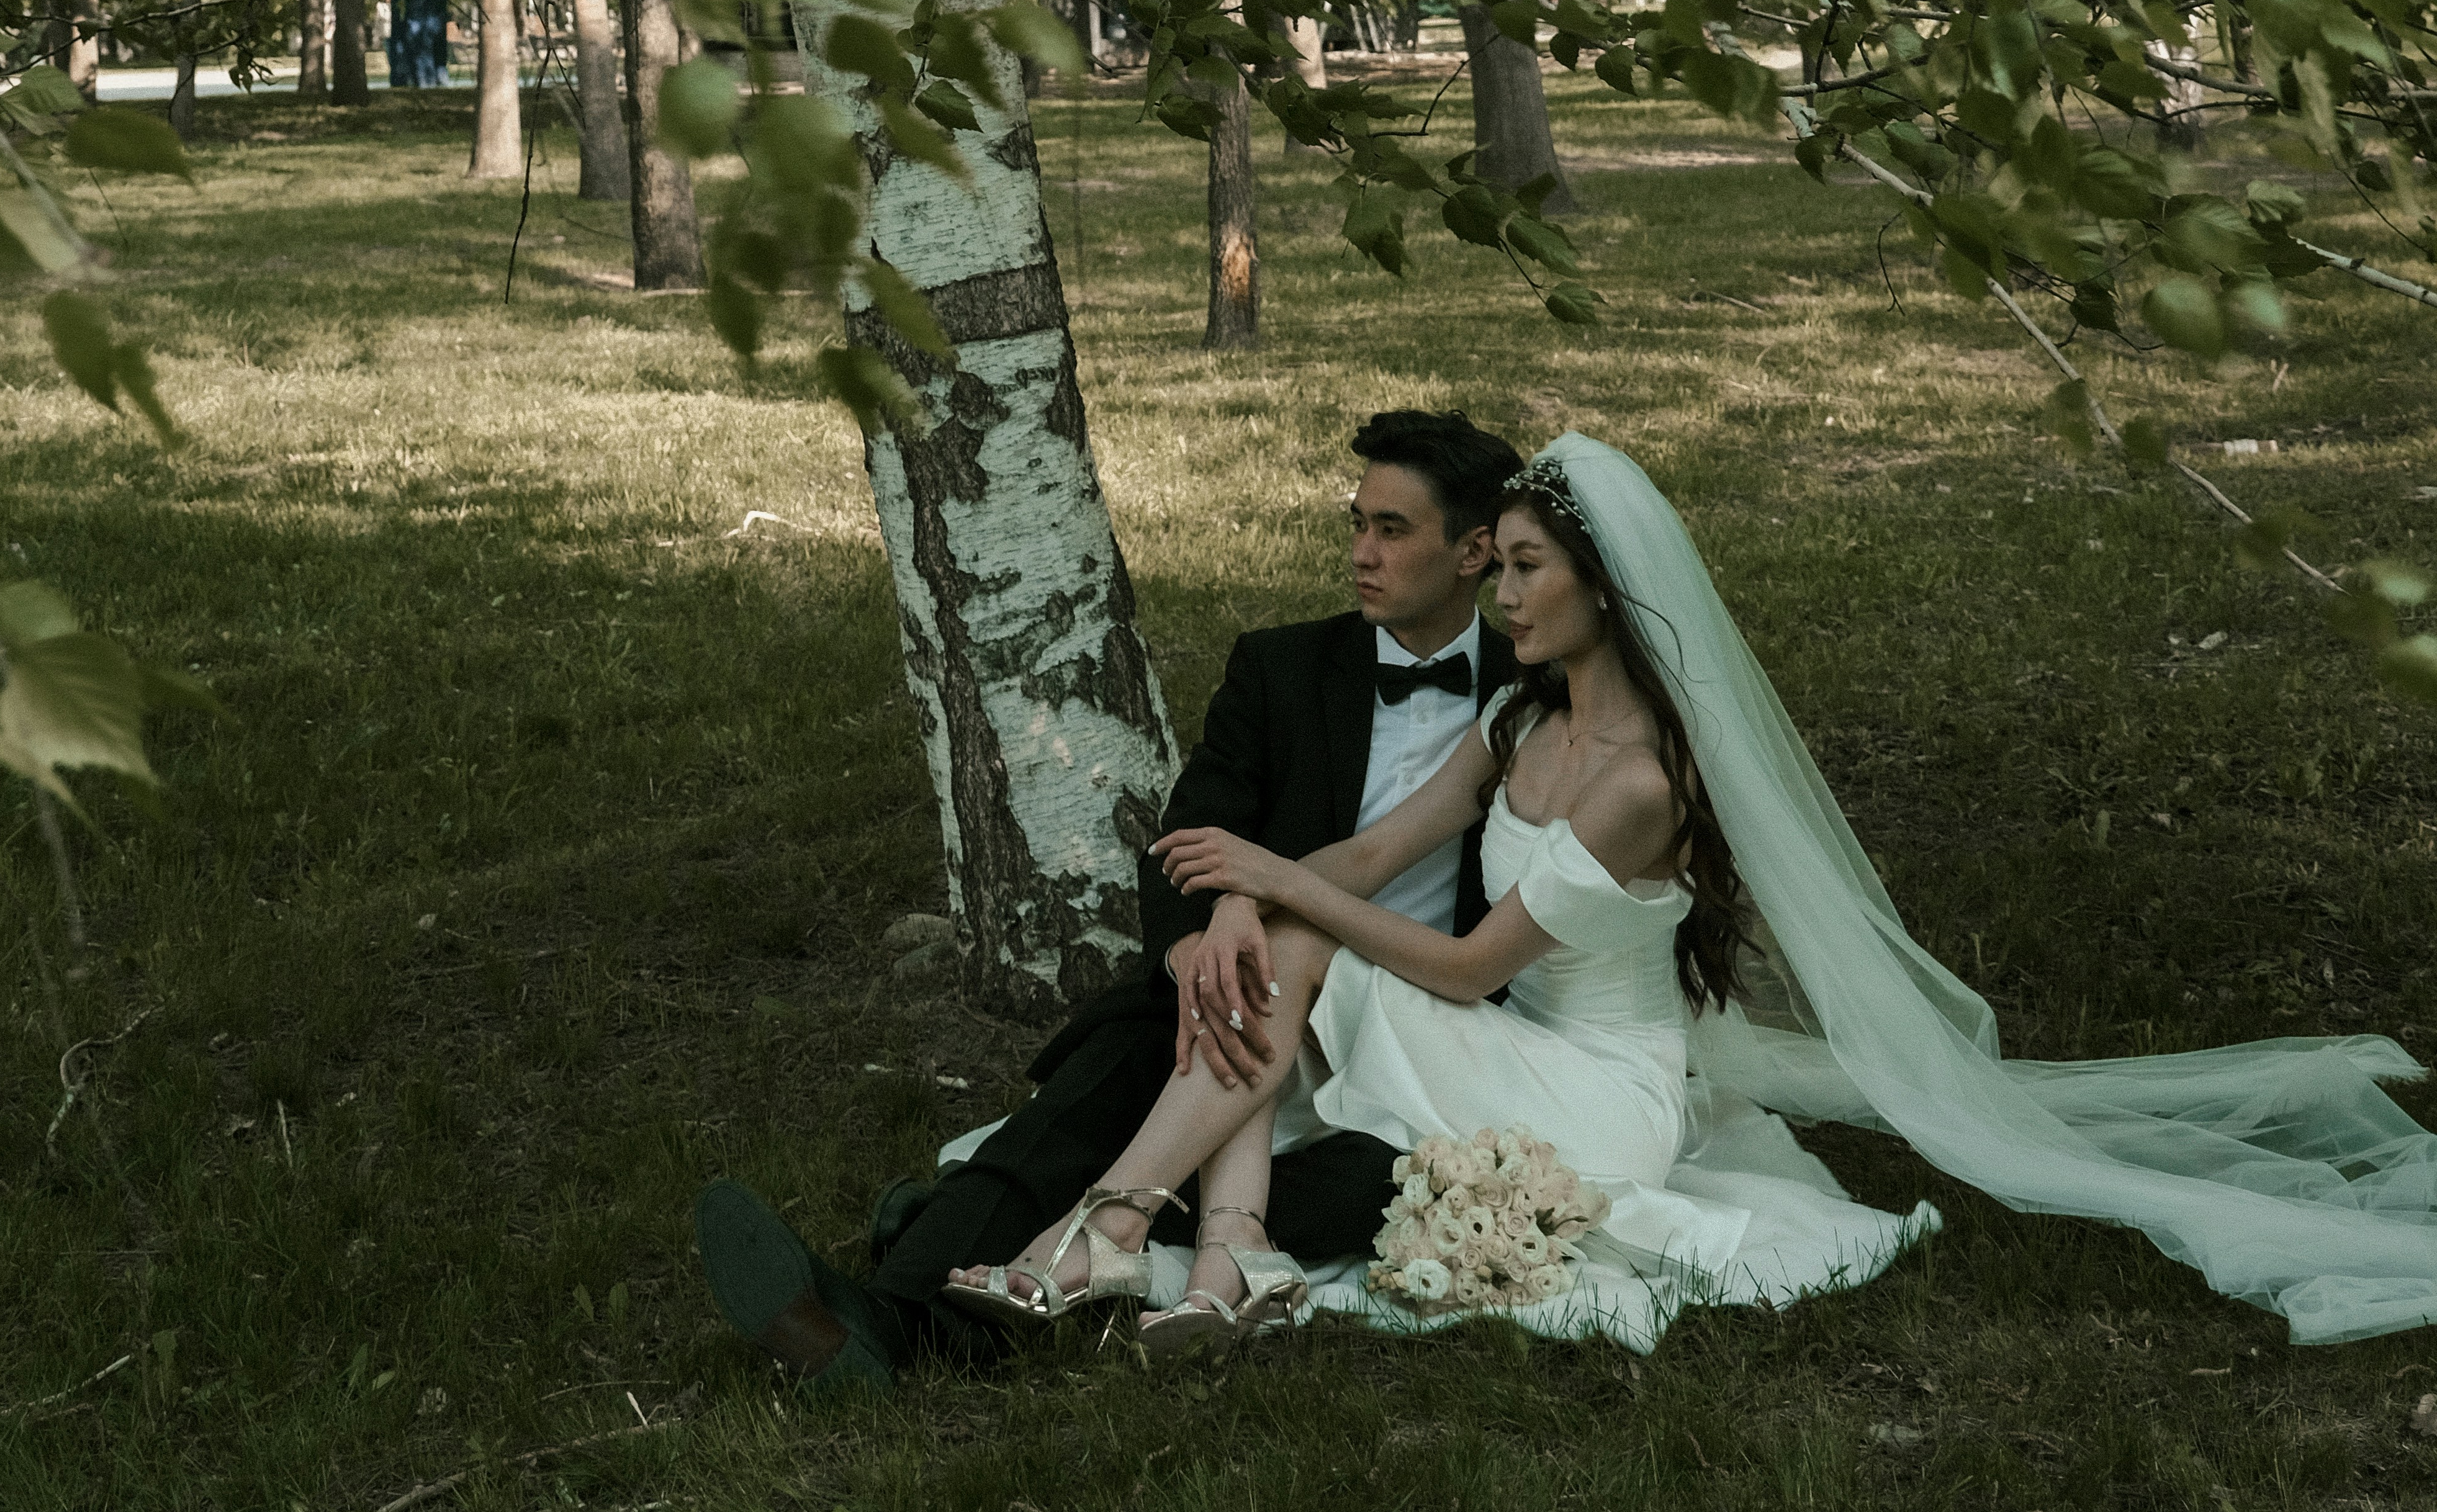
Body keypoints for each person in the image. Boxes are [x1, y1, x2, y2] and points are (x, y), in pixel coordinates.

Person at [952, 432, 2437, 1356]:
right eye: (1497, 567)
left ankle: (1119, 1227)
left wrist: (1279, 888)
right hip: (1505, 1038)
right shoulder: (1522, 720)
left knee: (1303, 952)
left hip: (1599, 1090)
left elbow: (1465, 969)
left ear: (1599, 583)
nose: (1502, 596)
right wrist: (1249, 898)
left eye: (1525, 569)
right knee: (1283, 948)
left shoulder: (1639, 784)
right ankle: (1215, 1256)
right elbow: (1365, 856)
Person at [692, 407, 1524, 1388]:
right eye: (1357, 523)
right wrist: (1196, 948)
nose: (1361, 553)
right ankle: (893, 1315)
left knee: (1362, 1192)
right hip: (1257, 982)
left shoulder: (1532, 694)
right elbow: (1189, 837)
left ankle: (953, 1228)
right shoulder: (1284, 666)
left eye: (1392, 530)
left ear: (1473, 551)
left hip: (1416, 1027)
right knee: (1110, 1073)